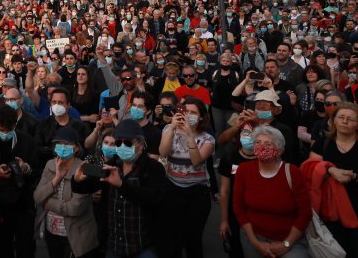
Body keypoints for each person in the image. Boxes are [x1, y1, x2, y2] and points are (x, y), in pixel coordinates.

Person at [72, 119, 167, 258]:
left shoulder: (153, 168)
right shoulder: (110, 165)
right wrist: (77, 180)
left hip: (144, 245)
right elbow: (86, 187)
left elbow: (154, 197)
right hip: (114, 245)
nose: (122, 146)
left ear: (140, 145)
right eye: (118, 143)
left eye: (127, 143)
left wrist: (122, 185)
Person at [233, 126, 311, 257]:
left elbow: (305, 212)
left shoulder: (293, 172)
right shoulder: (243, 170)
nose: (262, 146)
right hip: (254, 237)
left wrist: (286, 244)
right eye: (258, 143)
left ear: (280, 150)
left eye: (268, 143)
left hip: (290, 240)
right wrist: (254, 242)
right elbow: (238, 207)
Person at [158, 96, 215, 257]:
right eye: (185, 111)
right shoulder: (168, 129)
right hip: (173, 188)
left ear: (201, 116)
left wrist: (190, 135)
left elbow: (196, 161)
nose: (188, 115)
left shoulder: (207, 138)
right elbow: (163, 152)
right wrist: (172, 128)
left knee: (193, 239)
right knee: (174, 237)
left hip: (197, 192)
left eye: (193, 112)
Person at [33, 127, 98, 258]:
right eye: (59, 143)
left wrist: (48, 204)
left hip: (76, 235)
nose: (62, 147)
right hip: (51, 232)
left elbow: (75, 208)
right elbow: (37, 196)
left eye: (67, 144)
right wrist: (56, 179)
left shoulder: (84, 169)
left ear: (76, 148)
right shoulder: (50, 165)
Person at [0, 105, 37, 258]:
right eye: (2, 129)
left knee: (25, 247)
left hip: (22, 203)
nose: (5, 133)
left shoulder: (26, 140)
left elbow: (36, 169)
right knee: (2, 247)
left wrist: (25, 168)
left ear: (15, 125)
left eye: (9, 129)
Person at [307, 102, 358, 254]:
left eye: (350, 119)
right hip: (329, 211)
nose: (344, 121)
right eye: (340, 117)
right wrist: (330, 170)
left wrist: (354, 176)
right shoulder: (323, 142)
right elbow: (310, 169)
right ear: (333, 120)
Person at [218, 119, 257, 258]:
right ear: (239, 135)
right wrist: (224, 220)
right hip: (234, 212)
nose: (249, 137)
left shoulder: (265, 159)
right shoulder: (229, 157)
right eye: (246, 132)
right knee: (236, 249)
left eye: (254, 133)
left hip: (257, 214)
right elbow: (224, 191)